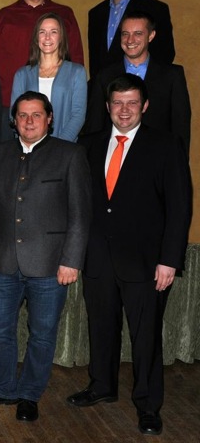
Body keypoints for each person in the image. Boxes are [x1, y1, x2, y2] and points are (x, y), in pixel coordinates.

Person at [68, 75, 191, 436]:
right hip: (98, 258)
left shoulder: (166, 145)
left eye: (132, 103)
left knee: (146, 337)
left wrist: (170, 260)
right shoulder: (87, 145)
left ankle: (148, 405)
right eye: (118, 103)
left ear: (145, 106)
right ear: (108, 107)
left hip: (147, 262)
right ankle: (102, 385)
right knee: (101, 327)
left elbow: (179, 207)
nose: (124, 110)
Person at [0, 92, 91, 422]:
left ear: (49, 118)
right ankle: (4, 387)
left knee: (42, 333)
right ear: (14, 121)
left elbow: (80, 214)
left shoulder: (70, 155)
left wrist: (72, 260)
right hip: (2, 261)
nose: (29, 121)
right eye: (22, 115)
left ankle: (29, 394)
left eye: (36, 115)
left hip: (51, 266)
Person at [0, 0, 84, 141]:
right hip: (11, 107)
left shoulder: (64, 14)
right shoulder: (4, 16)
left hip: (59, 106)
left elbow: (76, 58)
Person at [83, 11, 190, 154]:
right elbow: (94, 126)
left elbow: (181, 126)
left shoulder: (172, 75)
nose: (130, 40)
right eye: (125, 34)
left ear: (151, 36)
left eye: (138, 33)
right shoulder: (104, 76)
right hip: (115, 156)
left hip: (159, 156)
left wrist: (180, 161)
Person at [88, 0, 174, 80]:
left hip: (142, 86)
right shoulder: (96, 13)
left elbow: (165, 54)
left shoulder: (156, 9)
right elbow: (95, 61)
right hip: (105, 88)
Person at [11, 13, 87, 141]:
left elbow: (78, 115)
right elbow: (14, 114)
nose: (47, 37)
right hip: (29, 144)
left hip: (64, 145)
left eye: (53, 32)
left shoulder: (77, 72)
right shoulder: (22, 74)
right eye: (42, 32)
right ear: (36, 38)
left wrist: (59, 145)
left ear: (61, 37)